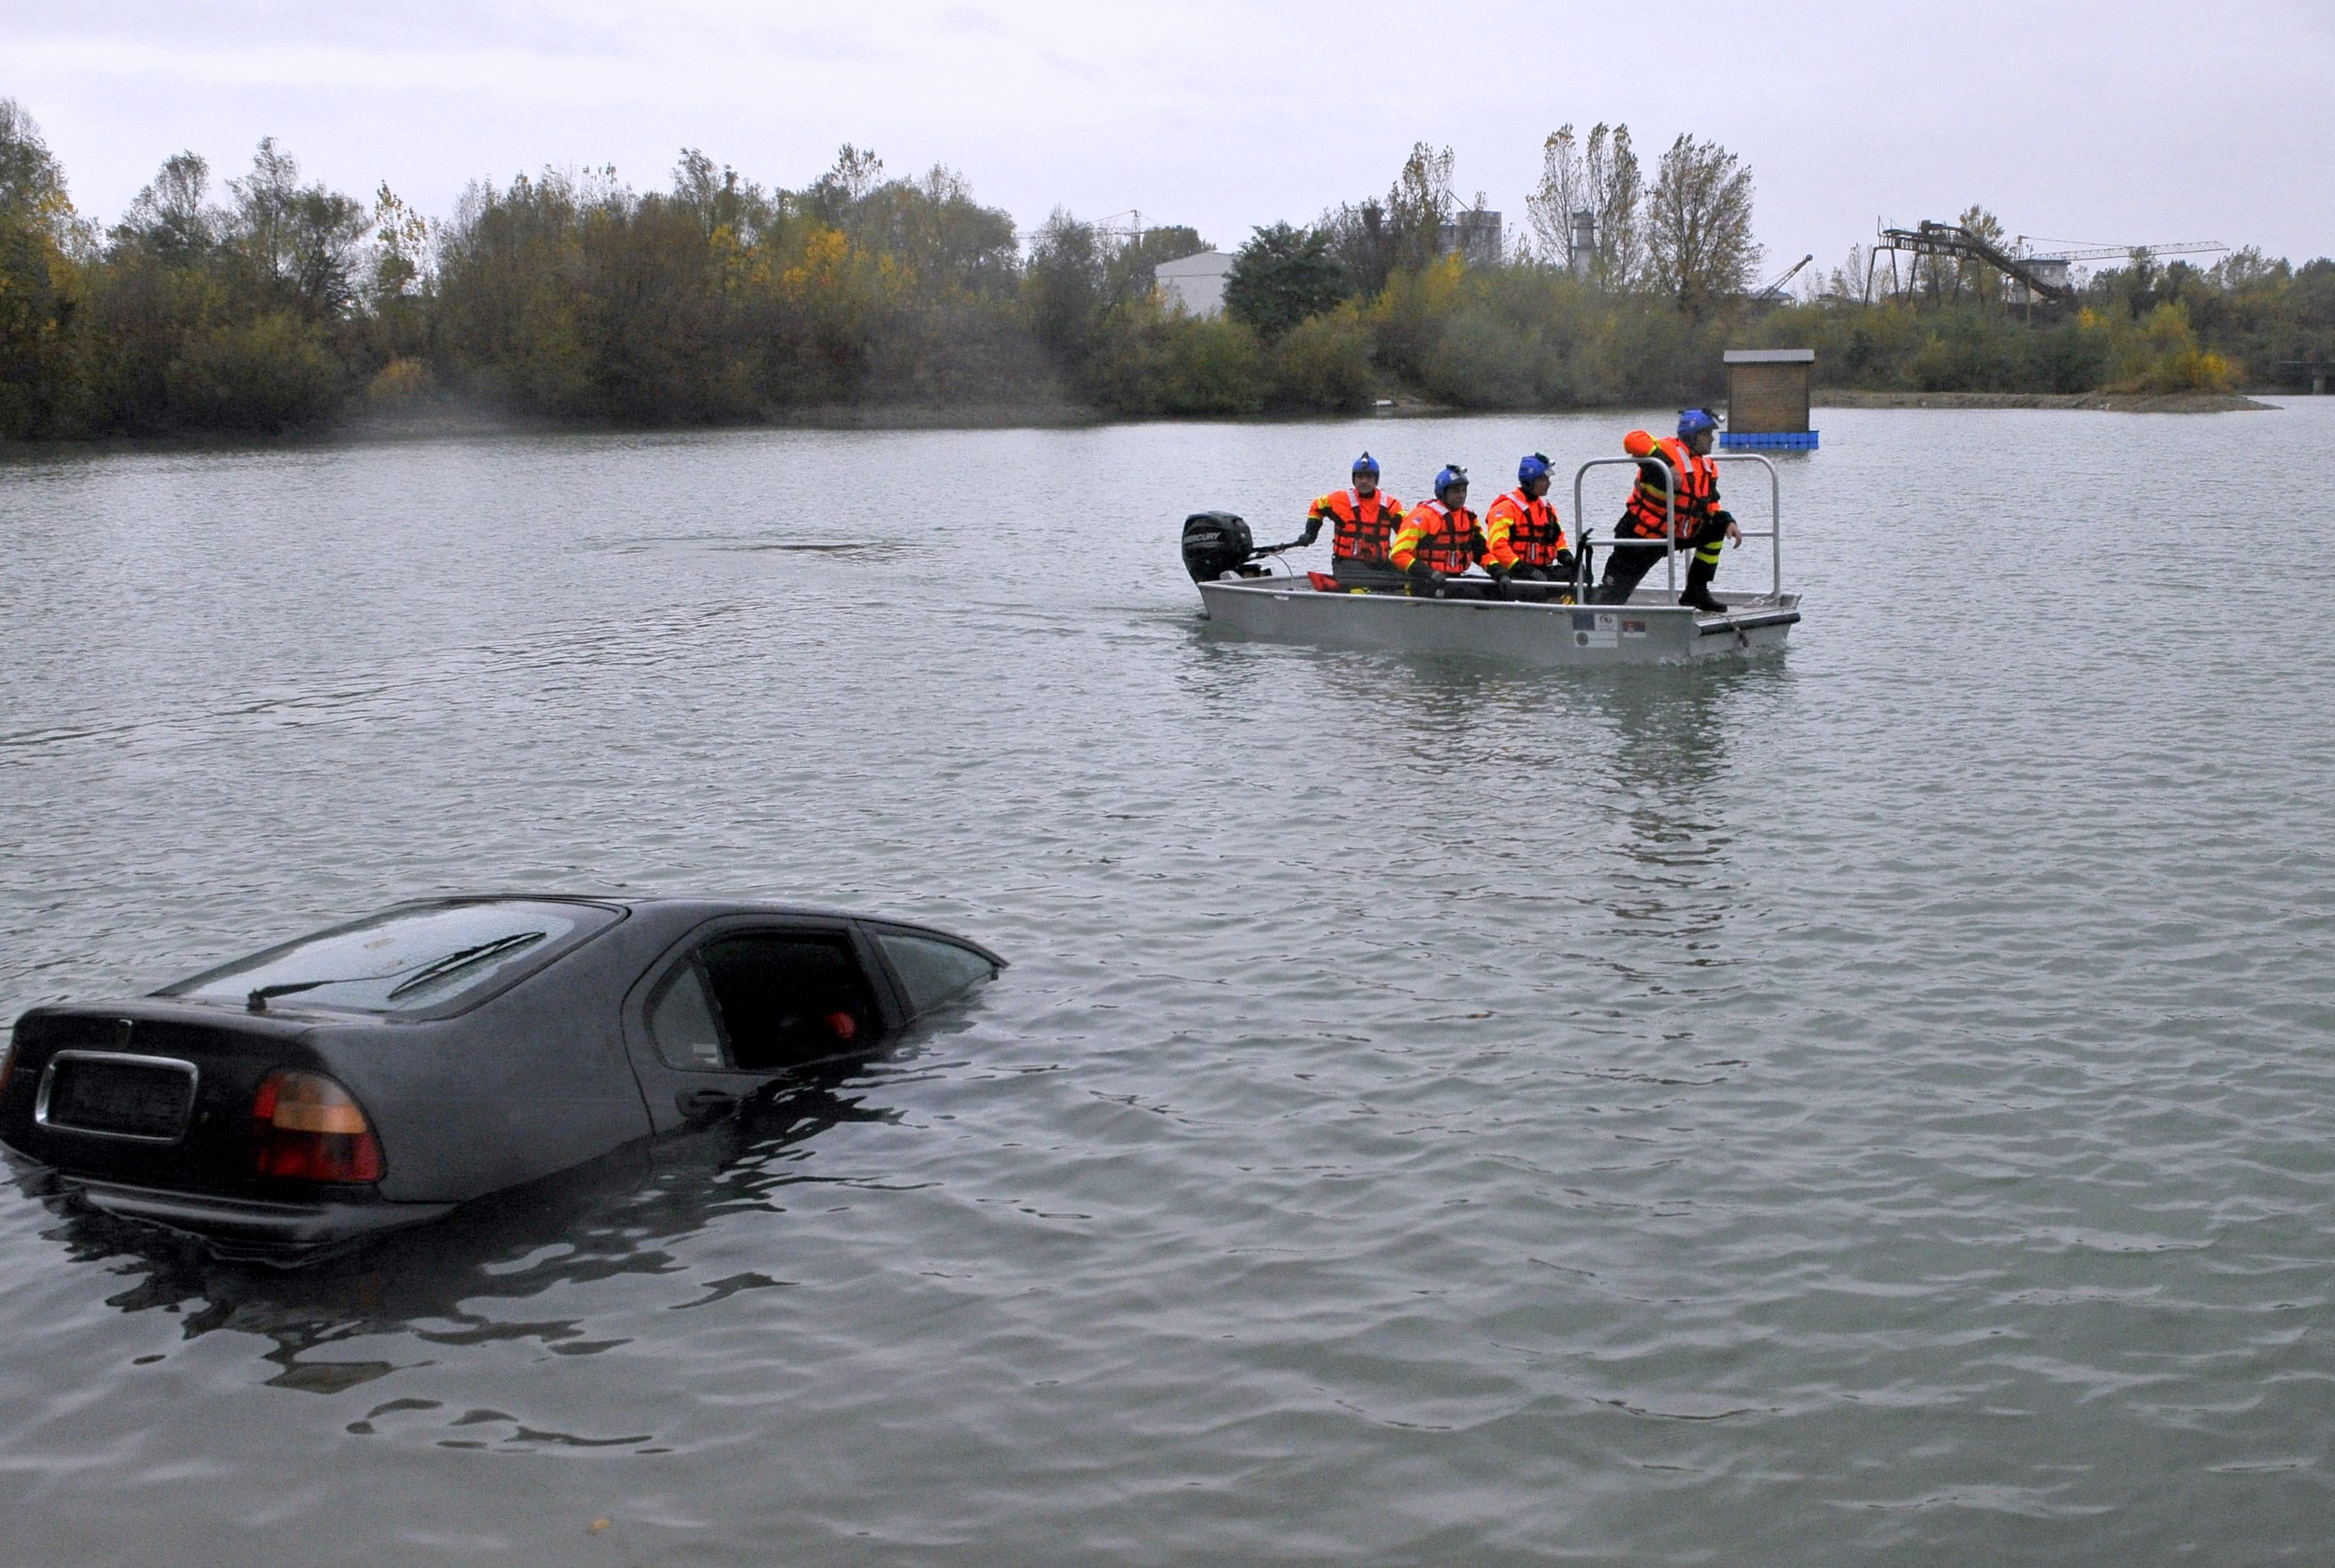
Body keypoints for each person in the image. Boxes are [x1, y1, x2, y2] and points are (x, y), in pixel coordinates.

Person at [1596, 408, 1740, 611]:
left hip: (1674, 534)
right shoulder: (1668, 449)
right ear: (1691, 436)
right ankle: (1593, 613)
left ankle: (1696, 591)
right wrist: (1665, 464)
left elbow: (1710, 503)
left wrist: (1728, 521)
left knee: (1717, 525)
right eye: (1707, 434)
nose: (1712, 439)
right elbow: (1632, 439)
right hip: (1640, 536)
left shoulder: (1707, 466)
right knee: (1614, 595)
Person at [1297, 452, 1407, 590]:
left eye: (1369, 477)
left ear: (1376, 480)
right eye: (1360, 477)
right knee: (1364, 587)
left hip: (1379, 564)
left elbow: (1408, 533)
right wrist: (1310, 534)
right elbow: (1316, 507)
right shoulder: (1339, 499)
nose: (1364, 481)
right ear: (1354, 479)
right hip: (1347, 563)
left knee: (1409, 580)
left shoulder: (1390, 505)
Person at [1483, 453, 1576, 601]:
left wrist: (1565, 554)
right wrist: (1522, 568)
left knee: (1579, 574)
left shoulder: (1546, 508)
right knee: (1536, 590)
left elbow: (1558, 537)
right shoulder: (1506, 508)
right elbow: (1497, 545)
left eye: (1548, 479)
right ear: (1529, 481)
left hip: (1541, 569)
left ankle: (1571, 611)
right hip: (1515, 572)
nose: (1548, 483)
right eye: (1543, 479)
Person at [1389, 465, 1491, 598]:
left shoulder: (1469, 518)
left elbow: (1482, 551)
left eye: (1463, 491)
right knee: (1473, 594)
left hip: (1454, 578)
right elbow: (1398, 554)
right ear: (1443, 492)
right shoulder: (1423, 517)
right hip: (1424, 581)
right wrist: (1431, 573)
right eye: (1456, 491)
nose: (1461, 496)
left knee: (1495, 589)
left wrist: (1499, 572)